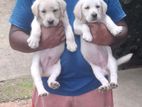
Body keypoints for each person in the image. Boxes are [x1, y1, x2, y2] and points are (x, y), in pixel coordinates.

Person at [9, 0, 128, 107]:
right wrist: (42, 42)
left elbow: (122, 28)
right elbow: (14, 36)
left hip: (96, 87)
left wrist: (108, 37)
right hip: (49, 90)